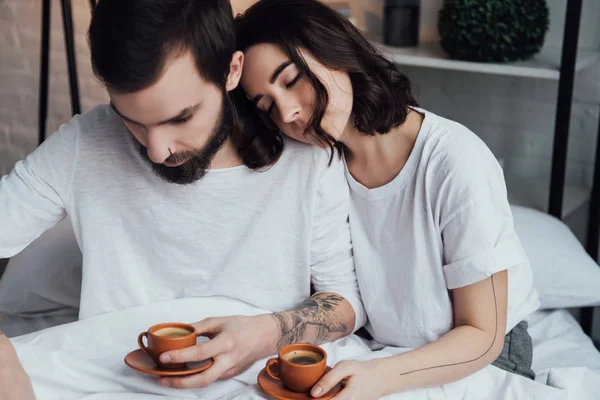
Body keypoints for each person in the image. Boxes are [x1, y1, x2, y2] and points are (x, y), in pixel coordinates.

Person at [0, 0, 366, 397]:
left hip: (256, 375)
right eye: (134, 123)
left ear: (231, 71)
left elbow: (344, 302)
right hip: (110, 372)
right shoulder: (85, 144)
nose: (158, 151)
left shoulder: (305, 158)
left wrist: (267, 333)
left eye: (180, 118)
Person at [235, 1, 540, 398]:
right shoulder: (319, 162)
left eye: (292, 80)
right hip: (381, 348)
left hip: (481, 354)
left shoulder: (453, 160)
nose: (288, 112)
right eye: (267, 105)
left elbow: (483, 335)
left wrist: (382, 375)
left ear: (333, 48)